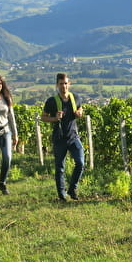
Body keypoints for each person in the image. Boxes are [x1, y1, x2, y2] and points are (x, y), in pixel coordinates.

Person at [41, 72, 84, 201]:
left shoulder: (75, 98)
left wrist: (79, 113)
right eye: (61, 84)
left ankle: (72, 188)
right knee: (60, 167)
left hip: (73, 136)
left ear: (69, 84)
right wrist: (55, 118)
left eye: (65, 83)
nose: (63, 86)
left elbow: (81, 109)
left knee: (80, 163)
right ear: (57, 85)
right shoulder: (51, 101)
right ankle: (61, 194)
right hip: (59, 138)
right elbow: (43, 117)